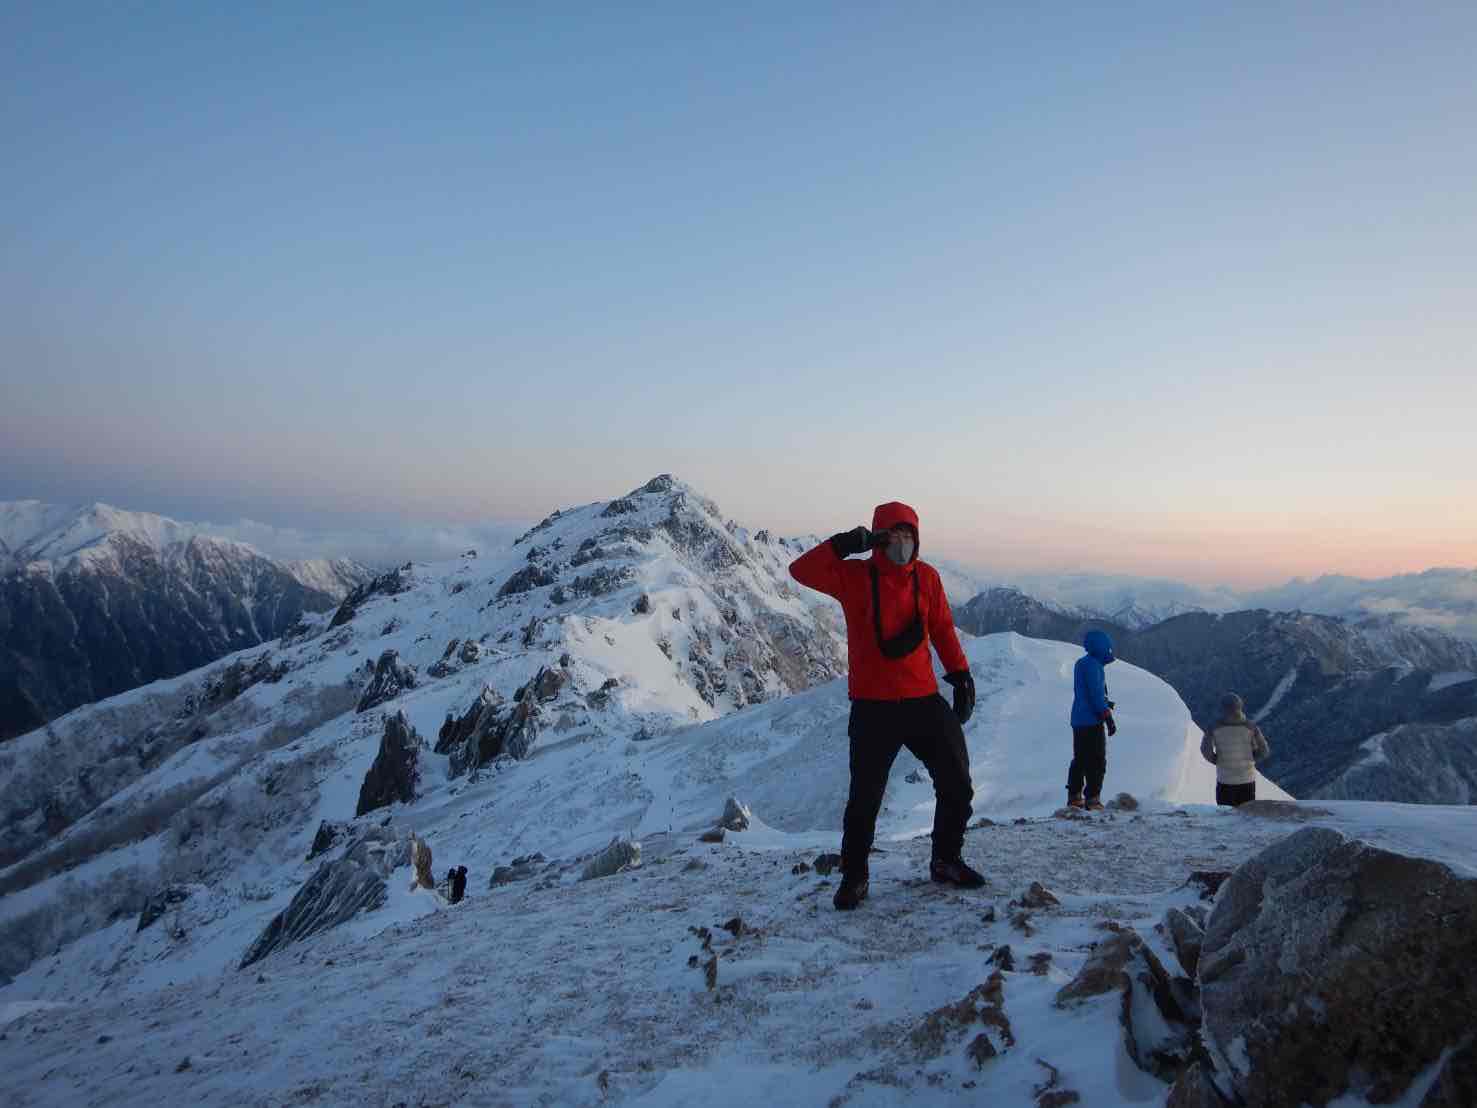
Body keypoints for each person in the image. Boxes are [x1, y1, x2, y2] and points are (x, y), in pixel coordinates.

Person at [789, 501, 983, 911]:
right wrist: (845, 543)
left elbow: (942, 628)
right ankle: (855, 876)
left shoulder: (927, 578)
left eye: (908, 534)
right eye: (893, 533)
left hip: (923, 700)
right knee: (865, 798)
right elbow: (801, 570)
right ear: (878, 538)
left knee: (956, 781)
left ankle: (946, 859)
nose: (902, 542)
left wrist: (960, 674)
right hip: (872, 707)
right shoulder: (854, 576)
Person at [1068, 630, 1117, 811]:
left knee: (1080, 759)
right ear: (1102, 647)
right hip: (1092, 721)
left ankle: (1074, 797)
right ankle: (1093, 799)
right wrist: (1107, 716)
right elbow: (1095, 694)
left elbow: (1085, 692)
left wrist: (1105, 702)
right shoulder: (1094, 666)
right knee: (1097, 760)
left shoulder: (1082, 663)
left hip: (1078, 719)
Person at [1200, 693, 1270, 806]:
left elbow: (1205, 750)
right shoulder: (1251, 727)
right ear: (1240, 706)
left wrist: (1217, 760)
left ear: (1222, 708)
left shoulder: (1214, 727)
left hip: (1225, 781)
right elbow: (1264, 751)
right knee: (1246, 813)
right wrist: (1251, 758)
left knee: (1226, 814)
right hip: (1247, 781)